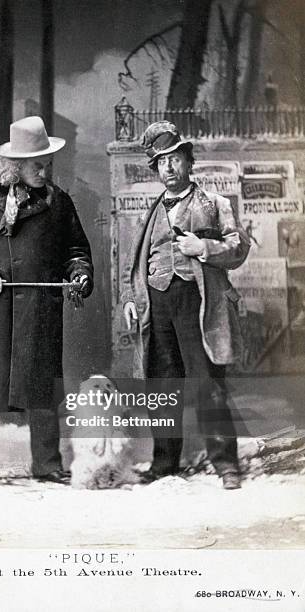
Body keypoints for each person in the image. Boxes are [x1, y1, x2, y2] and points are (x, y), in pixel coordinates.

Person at [0, 116, 93, 494]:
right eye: (36, 164)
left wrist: (80, 274)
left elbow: (76, 251)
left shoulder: (59, 202)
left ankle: (48, 465)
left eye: (47, 162)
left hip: (39, 311)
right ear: (14, 165)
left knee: (42, 389)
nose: (44, 170)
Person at [123, 121, 250, 490]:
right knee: (162, 384)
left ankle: (226, 464)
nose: (169, 168)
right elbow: (137, 267)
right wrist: (132, 301)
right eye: (162, 162)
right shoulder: (150, 214)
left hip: (198, 302)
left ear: (188, 162)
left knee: (208, 383)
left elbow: (240, 248)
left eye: (175, 159)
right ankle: (164, 464)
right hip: (157, 304)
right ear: (156, 168)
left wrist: (205, 249)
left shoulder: (216, 204)